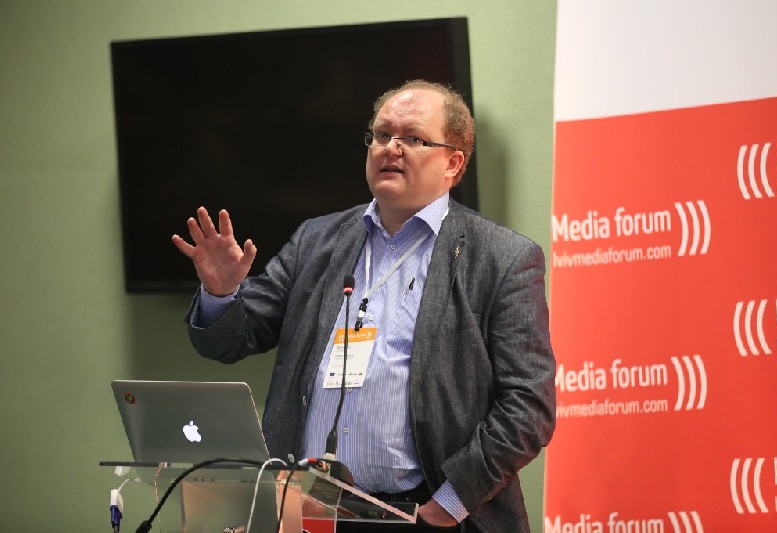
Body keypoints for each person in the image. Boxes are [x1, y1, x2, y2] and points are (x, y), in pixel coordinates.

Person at [172, 80, 556, 532]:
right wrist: (220, 294)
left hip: (427, 514)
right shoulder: (316, 241)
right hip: (309, 510)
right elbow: (229, 340)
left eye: (413, 138)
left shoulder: (501, 258)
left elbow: (528, 404)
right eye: (381, 135)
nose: (390, 148)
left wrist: (448, 504)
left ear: (453, 163)